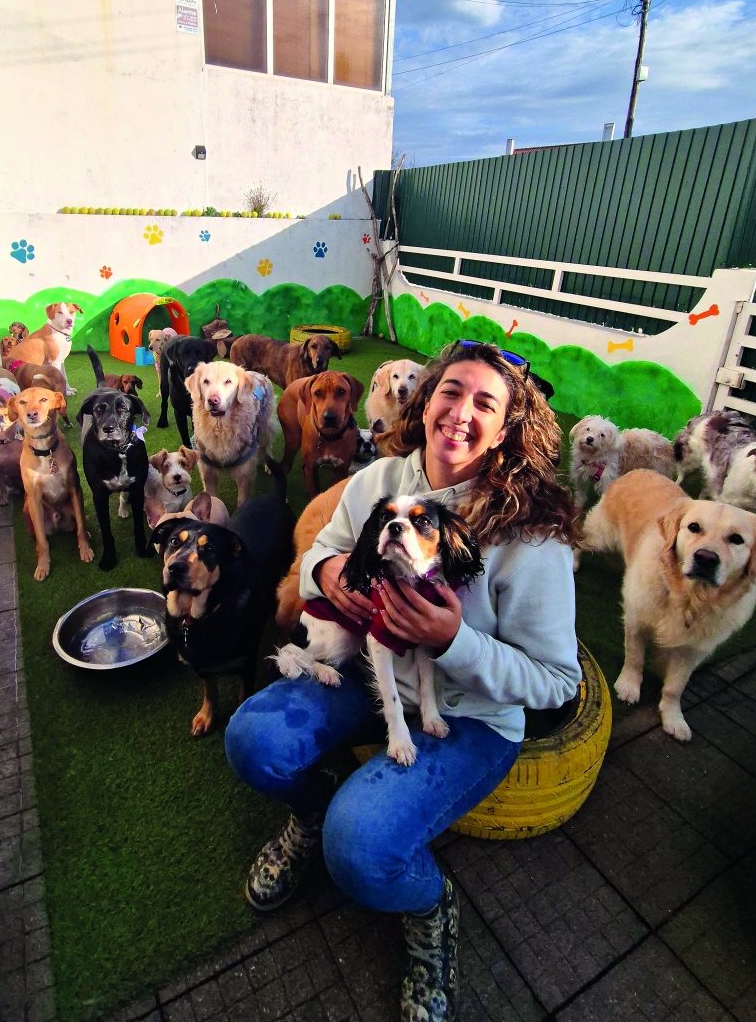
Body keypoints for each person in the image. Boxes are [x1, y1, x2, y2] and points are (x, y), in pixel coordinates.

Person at [225, 340, 581, 1022]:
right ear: (424, 403)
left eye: (485, 403)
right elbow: (321, 553)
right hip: (370, 668)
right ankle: (308, 807)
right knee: (253, 739)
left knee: (358, 846)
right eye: (450, 392)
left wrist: (451, 639)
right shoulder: (376, 481)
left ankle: (429, 910)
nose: (460, 413)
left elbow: (553, 682)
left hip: (471, 717)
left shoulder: (531, 535)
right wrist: (329, 577)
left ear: (506, 429)